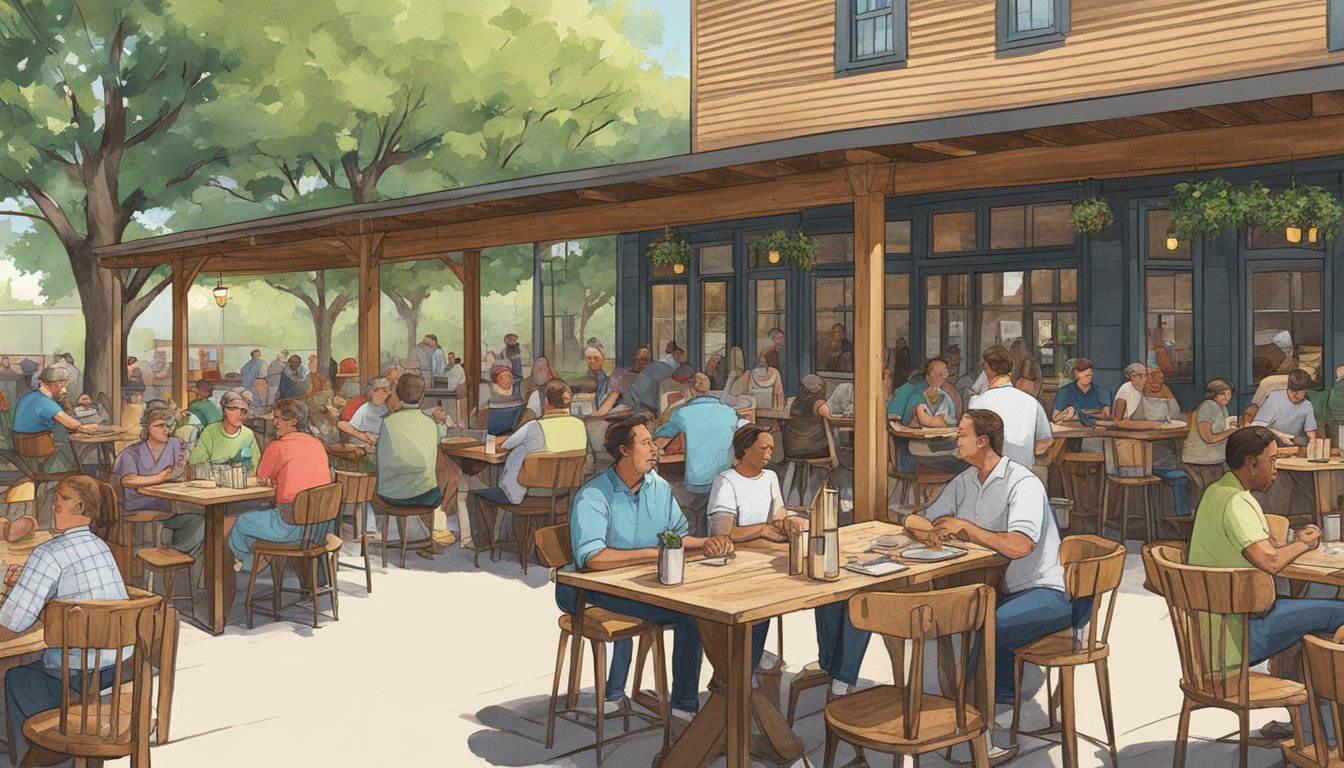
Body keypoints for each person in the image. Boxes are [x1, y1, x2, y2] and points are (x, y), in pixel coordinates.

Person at [555, 414, 733, 718]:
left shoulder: (658, 487)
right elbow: (593, 558)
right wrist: (654, 553)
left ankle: (642, 694)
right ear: (624, 450)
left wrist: (705, 543)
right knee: (689, 617)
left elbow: (676, 536)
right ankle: (683, 707)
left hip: (634, 584)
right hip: (585, 588)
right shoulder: (595, 494)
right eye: (647, 442)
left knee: (700, 609)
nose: (656, 449)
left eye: (654, 442)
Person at [916, 409, 1067, 706]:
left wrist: (967, 528)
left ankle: (983, 705)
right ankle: (958, 701)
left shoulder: (1022, 483)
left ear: (982, 441)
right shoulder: (965, 480)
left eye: (961, 434)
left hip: (1043, 592)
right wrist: (923, 528)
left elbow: (1021, 545)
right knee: (939, 614)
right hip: (999, 589)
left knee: (987, 624)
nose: (955, 439)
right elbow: (925, 517)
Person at [1188, 426, 1344, 670]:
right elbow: (1270, 560)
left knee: (1313, 599)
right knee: (1339, 611)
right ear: (1251, 463)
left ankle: (1309, 685)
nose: (1276, 468)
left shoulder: (1215, 492)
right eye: (1271, 460)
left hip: (1214, 629)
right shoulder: (1237, 501)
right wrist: (1304, 543)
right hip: (1241, 634)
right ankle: (1330, 691)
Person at [0, 475, 129, 764]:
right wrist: (21, 593)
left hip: (76, 677)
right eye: (57, 496)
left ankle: (39, 759)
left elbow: (8, 629)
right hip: (116, 670)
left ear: (82, 506)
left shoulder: (48, 553)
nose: (55, 502)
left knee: (16, 677)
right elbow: (75, 607)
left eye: (64, 498)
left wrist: (14, 599)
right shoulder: (101, 547)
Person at [468, 379, 587, 552]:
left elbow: (506, 445)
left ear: (545, 401)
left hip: (531, 495)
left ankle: (486, 545)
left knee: (477, 494)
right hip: (563, 495)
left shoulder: (534, 426)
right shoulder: (579, 425)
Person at [228, 398, 333, 572]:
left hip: (289, 527)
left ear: (293, 421)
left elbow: (262, 476)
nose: (275, 423)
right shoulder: (317, 445)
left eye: (279, 418)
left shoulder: (278, 446)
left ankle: (250, 562)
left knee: (241, 522)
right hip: (320, 528)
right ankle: (261, 560)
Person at [374, 374, 460, 552]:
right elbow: (440, 434)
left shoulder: (388, 423)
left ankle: (420, 535)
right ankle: (434, 531)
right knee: (447, 473)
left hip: (390, 496)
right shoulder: (429, 424)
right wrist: (441, 423)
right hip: (426, 497)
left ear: (397, 394)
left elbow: (380, 459)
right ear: (422, 397)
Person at [654, 374, 748, 534]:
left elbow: (660, 440)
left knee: (692, 512)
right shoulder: (730, 412)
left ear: (691, 391)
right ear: (710, 390)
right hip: (727, 478)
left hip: (698, 480)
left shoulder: (682, 413)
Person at [114, 400, 202, 557]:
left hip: (169, 507)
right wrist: (160, 477)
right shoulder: (132, 452)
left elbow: (185, 467)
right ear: (147, 428)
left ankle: (177, 552)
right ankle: (171, 555)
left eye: (167, 425)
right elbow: (128, 480)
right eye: (160, 426)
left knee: (200, 520)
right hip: (140, 507)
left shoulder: (175, 444)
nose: (166, 430)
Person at [1114, 368, 1190, 516]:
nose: (1157, 385)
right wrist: (1154, 424)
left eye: (1160, 381)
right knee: (1175, 473)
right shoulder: (1134, 395)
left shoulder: (1166, 392)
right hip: (1139, 457)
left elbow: (1176, 414)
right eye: (1153, 381)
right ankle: (1163, 517)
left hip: (1165, 455)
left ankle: (1178, 517)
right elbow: (1123, 422)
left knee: (1182, 472)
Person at [967, 346, 1053, 469]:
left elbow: (971, 442)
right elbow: (1044, 442)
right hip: (1022, 474)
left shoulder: (978, 403)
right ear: (1010, 370)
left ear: (988, 370)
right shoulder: (1032, 403)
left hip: (987, 474)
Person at [12, 366, 99, 472]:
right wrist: (84, 427)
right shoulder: (45, 402)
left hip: (23, 446)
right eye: (59, 386)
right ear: (43, 384)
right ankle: (72, 473)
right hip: (39, 449)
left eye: (64, 386)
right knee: (66, 439)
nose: (64, 390)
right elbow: (73, 424)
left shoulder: (31, 397)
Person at [1183, 377, 1238, 504]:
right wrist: (1230, 431)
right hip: (1200, 460)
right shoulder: (1208, 407)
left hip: (1216, 459)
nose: (1227, 397)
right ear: (1213, 394)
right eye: (1223, 394)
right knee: (1211, 497)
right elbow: (1208, 437)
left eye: (1229, 394)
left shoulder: (1222, 407)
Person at [189, 390, 261, 472]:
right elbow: (196, 462)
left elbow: (256, 467)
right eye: (233, 408)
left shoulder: (248, 434)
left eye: (243, 410)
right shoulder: (210, 431)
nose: (240, 414)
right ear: (224, 410)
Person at [1251, 368, 1318, 446]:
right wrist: (1279, 434)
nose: (1296, 394)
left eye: (1302, 391)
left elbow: (1310, 432)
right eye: (1293, 391)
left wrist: (1312, 441)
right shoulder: (1274, 398)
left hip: (1292, 448)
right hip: (1270, 446)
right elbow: (1257, 426)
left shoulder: (1307, 405)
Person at [622, 342, 684, 414]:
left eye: (647, 360)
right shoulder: (659, 368)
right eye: (641, 359)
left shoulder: (666, 367)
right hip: (634, 404)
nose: (644, 363)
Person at [1051, 357, 1111, 425]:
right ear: (1077, 373)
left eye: (1091, 376)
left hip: (1097, 431)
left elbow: (1106, 415)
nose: (1089, 379)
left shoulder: (1102, 392)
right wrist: (1070, 410)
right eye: (1087, 376)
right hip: (1072, 431)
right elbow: (1055, 417)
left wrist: (1079, 415)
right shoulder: (1065, 392)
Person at [337, 376, 392, 449]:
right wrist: (364, 436)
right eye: (385, 390)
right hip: (364, 447)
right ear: (373, 391)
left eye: (389, 389)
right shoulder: (364, 408)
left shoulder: (389, 409)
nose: (389, 393)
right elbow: (348, 427)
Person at [481, 364, 526, 436]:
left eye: (509, 377)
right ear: (496, 379)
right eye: (502, 377)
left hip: (510, 432)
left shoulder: (518, 394)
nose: (506, 379)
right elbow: (482, 413)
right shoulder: (488, 391)